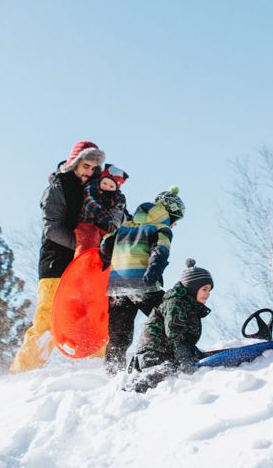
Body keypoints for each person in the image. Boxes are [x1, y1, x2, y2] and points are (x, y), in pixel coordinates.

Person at [10, 140, 105, 373]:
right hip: (58, 263)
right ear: (75, 163)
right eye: (85, 166)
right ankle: (23, 371)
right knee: (49, 320)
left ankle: (98, 368)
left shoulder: (97, 190)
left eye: (94, 169)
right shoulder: (60, 185)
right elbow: (51, 227)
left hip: (85, 267)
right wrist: (81, 248)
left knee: (92, 317)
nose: (89, 173)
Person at [100, 186, 185, 374]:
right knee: (167, 318)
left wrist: (113, 260)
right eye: (175, 219)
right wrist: (153, 272)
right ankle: (178, 355)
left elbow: (105, 245)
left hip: (116, 288)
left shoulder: (125, 226)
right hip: (143, 284)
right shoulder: (161, 228)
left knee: (119, 335)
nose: (175, 225)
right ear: (169, 214)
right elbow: (160, 251)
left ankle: (112, 370)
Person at [127, 260, 214, 392]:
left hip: (167, 352)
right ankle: (134, 390)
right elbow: (175, 333)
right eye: (204, 289)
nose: (208, 293)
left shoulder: (190, 306)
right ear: (192, 287)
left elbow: (184, 339)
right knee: (168, 370)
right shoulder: (176, 303)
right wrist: (185, 357)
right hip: (153, 353)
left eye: (209, 290)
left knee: (177, 366)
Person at [74, 164, 129, 252]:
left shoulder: (118, 197)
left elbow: (119, 212)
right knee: (88, 241)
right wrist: (104, 219)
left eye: (111, 186)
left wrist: (114, 224)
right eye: (105, 183)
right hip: (89, 223)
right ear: (100, 180)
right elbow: (91, 202)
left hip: (107, 228)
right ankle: (83, 259)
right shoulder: (92, 187)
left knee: (109, 245)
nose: (107, 187)